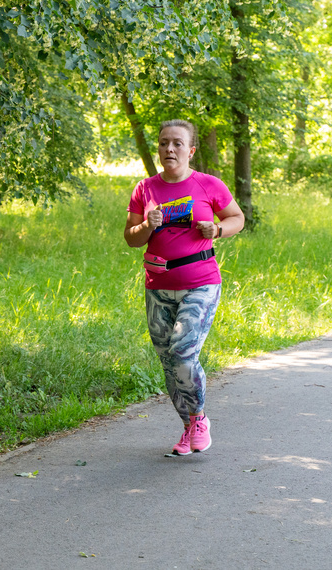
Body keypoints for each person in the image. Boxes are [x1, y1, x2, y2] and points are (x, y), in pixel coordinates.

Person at [124, 119, 245, 456]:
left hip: (200, 282)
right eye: (164, 143)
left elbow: (238, 218)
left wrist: (218, 230)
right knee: (168, 362)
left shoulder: (208, 184)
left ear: (191, 150)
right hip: (157, 287)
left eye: (177, 143)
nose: (169, 149)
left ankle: (200, 419)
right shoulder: (145, 189)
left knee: (182, 351)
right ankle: (189, 425)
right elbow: (131, 237)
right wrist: (147, 226)